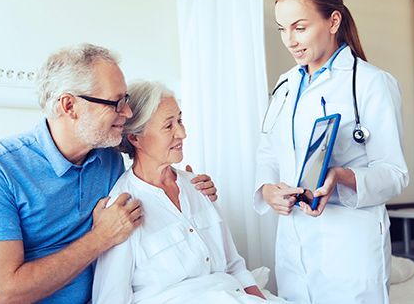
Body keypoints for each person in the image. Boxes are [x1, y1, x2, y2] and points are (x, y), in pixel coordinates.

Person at [0, 44, 217, 303]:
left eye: (127, 100)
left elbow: (148, 159)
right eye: (116, 103)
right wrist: (100, 237)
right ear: (69, 106)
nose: (128, 111)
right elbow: (7, 294)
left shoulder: (107, 159)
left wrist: (184, 184)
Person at [254, 0, 409, 303]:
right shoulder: (285, 85)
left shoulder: (371, 83)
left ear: (333, 21)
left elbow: (395, 174)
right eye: (283, 29)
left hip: (350, 245)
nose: (290, 41)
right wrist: (267, 189)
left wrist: (341, 177)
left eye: (300, 27)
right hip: (294, 244)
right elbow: (268, 152)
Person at [92, 81, 289, 304]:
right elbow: (110, 298)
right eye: (169, 126)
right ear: (135, 138)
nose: (182, 133)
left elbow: (235, 265)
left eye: (180, 121)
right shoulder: (121, 210)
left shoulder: (198, 187)